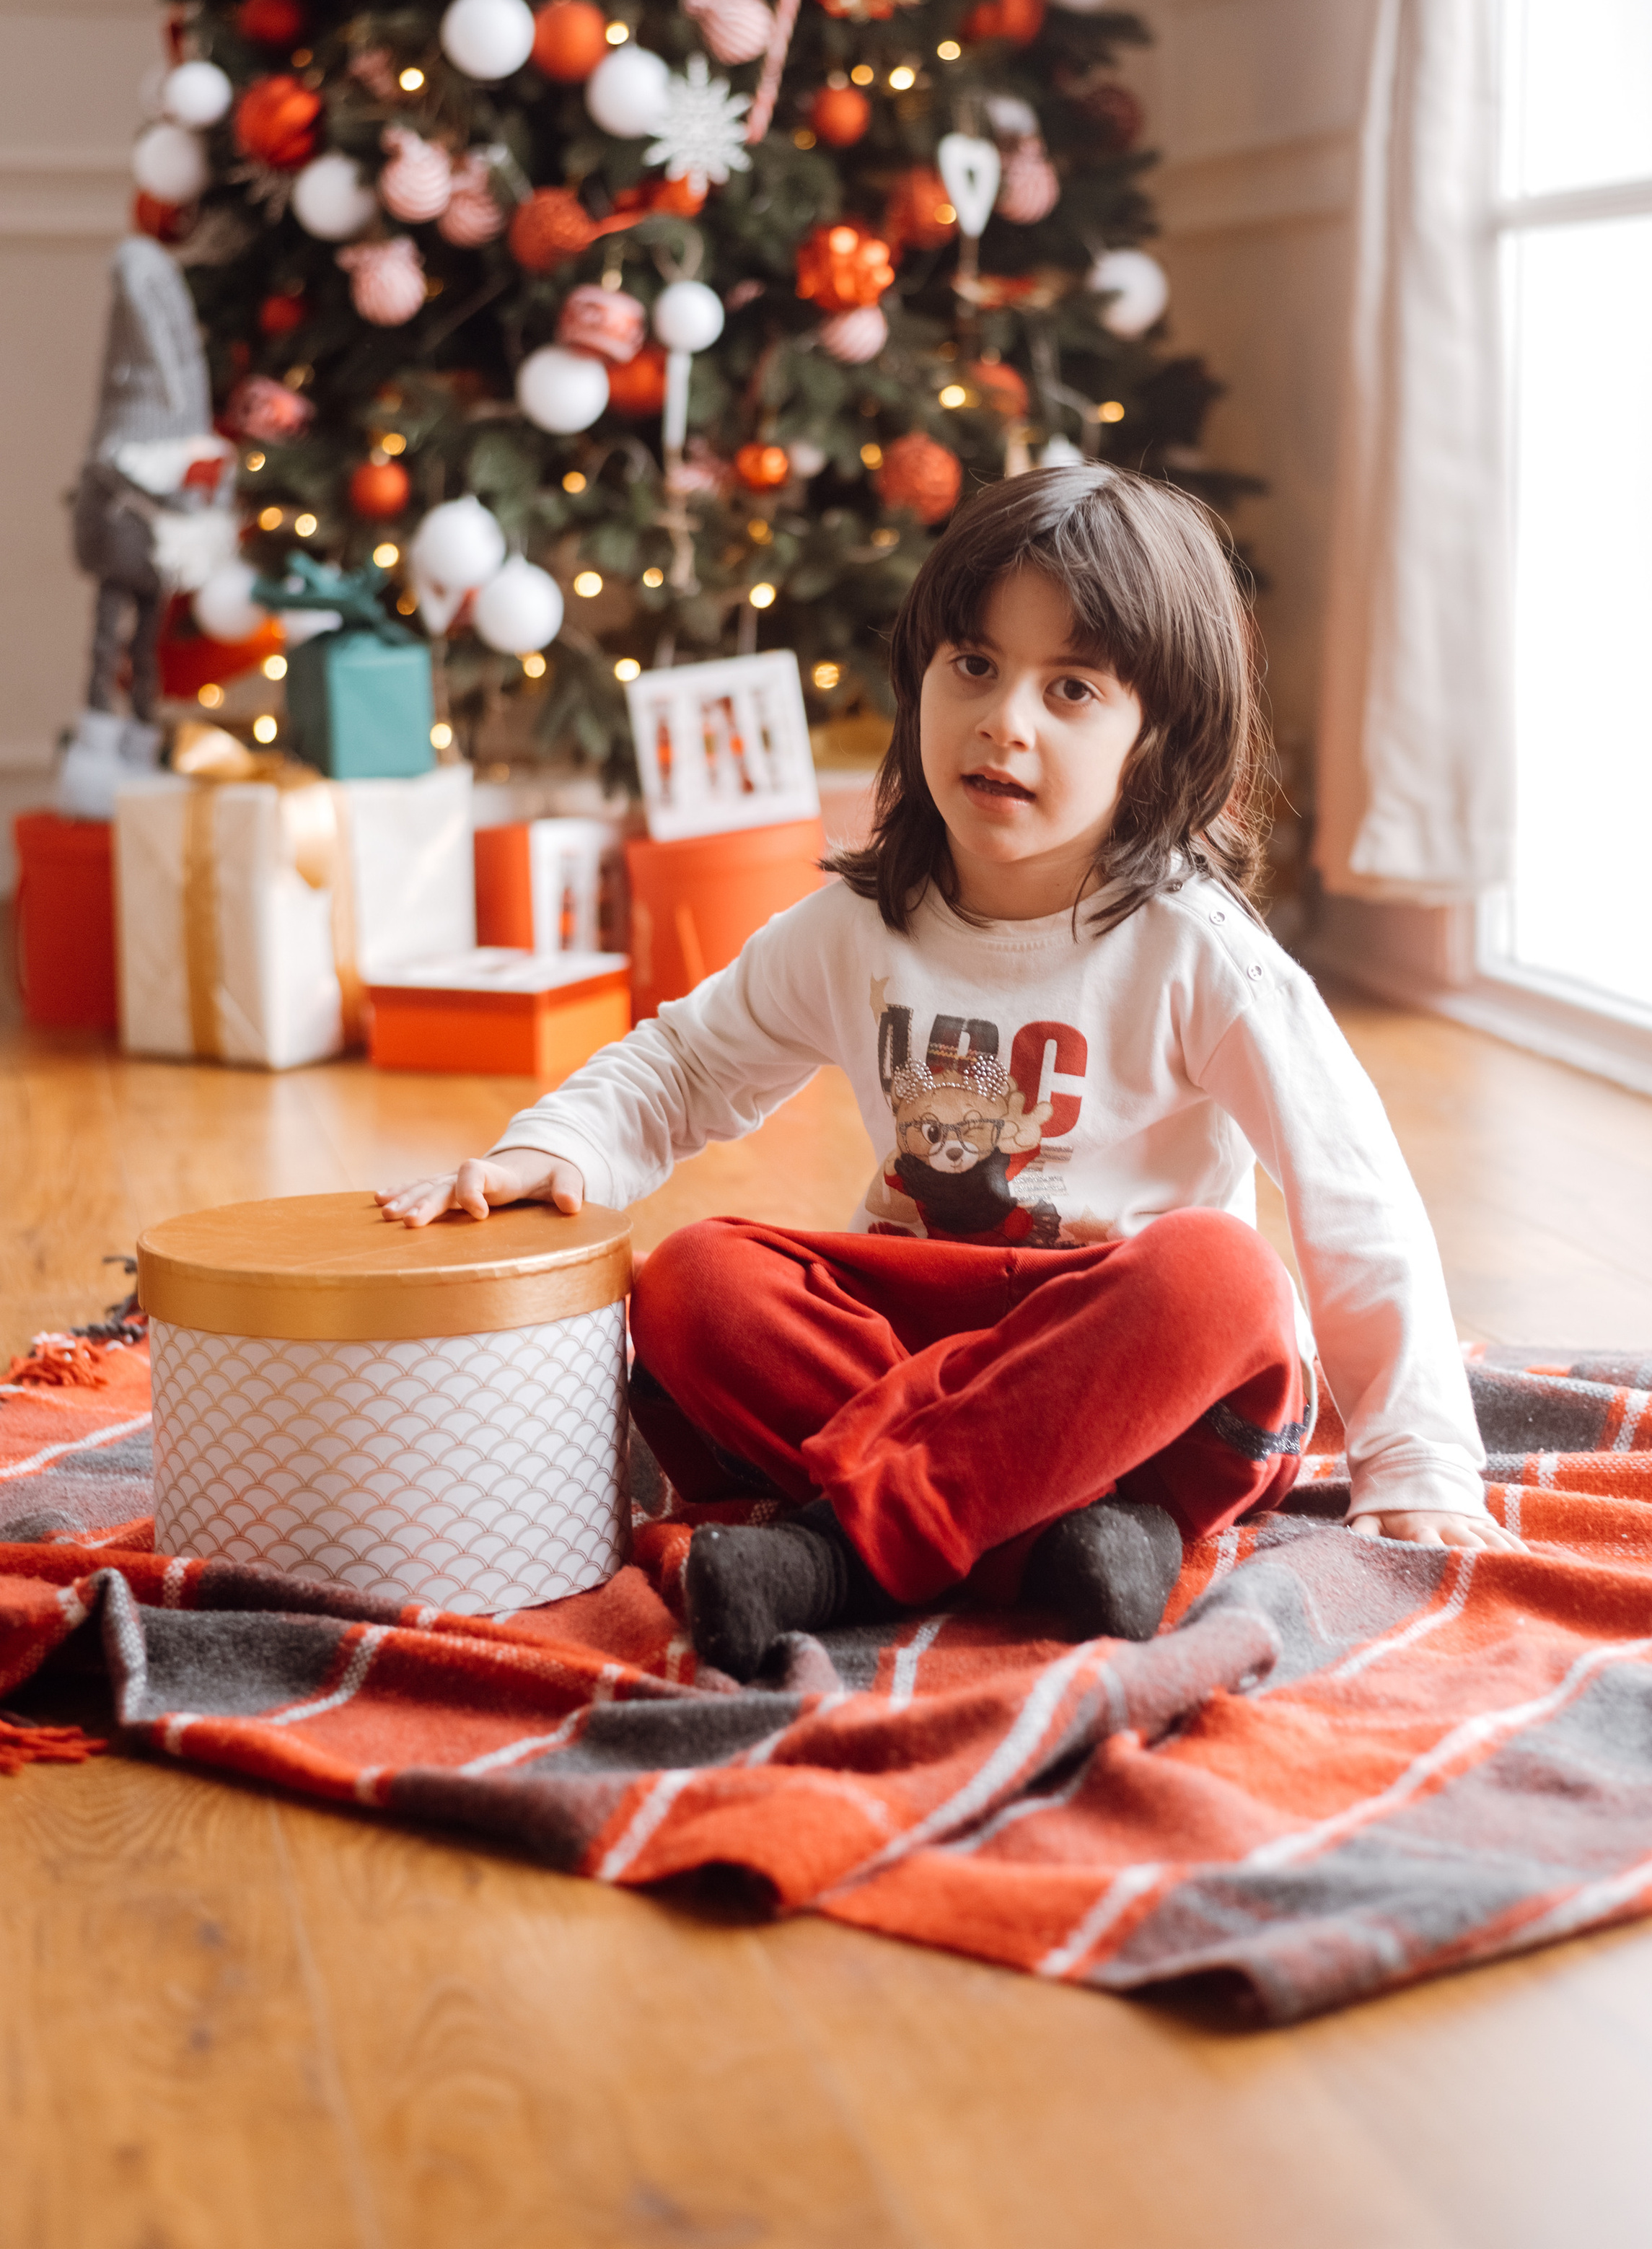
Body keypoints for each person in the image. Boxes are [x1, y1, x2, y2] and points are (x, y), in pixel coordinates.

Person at [381, 467, 1507, 1678]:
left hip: (1132, 1388)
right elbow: (686, 1062)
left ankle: (844, 1555)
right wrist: (555, 1147)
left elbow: (1353, 1191)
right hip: (913, 1347)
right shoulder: (863, 923)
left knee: (1222, 1278)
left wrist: (1418, 1457)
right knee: (697, 1281)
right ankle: (1052, 1547)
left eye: (1070, 689)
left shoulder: (1198, 950)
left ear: (1159, 736)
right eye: (973, 664)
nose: (1004, 719)